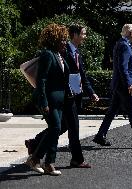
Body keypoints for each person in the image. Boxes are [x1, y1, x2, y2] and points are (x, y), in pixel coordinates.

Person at [25, 24, 99, 169]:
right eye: (83, 34)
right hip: (59, 97)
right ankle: (66, 159)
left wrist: (90, 92)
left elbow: (80, 75)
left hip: (68, 95)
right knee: (64, 127)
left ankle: (40, 151)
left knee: (61, 127)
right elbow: (43, 79)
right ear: (75, 35)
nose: (85, 37)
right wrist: (44, 100)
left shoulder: (68, 52)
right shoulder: (56, 52)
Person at [92, 24, 132, 148]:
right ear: (131, 33)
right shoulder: (125, 46)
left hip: (118, 84)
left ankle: (100, 135)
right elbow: (123, 67)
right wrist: (129, 84)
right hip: (124, 85)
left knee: (112, 111)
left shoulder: (120, 44)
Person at [26, 23, 69, 175]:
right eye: (63, 39)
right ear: (55, 39)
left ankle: (48, 162)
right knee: (55, 128)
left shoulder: (59, 55)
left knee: (57, 129)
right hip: (48, 101)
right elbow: (41, 80)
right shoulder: (47, 54)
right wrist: (44, 102)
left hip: (59, 100)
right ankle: (36, 159)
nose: (65, 42)